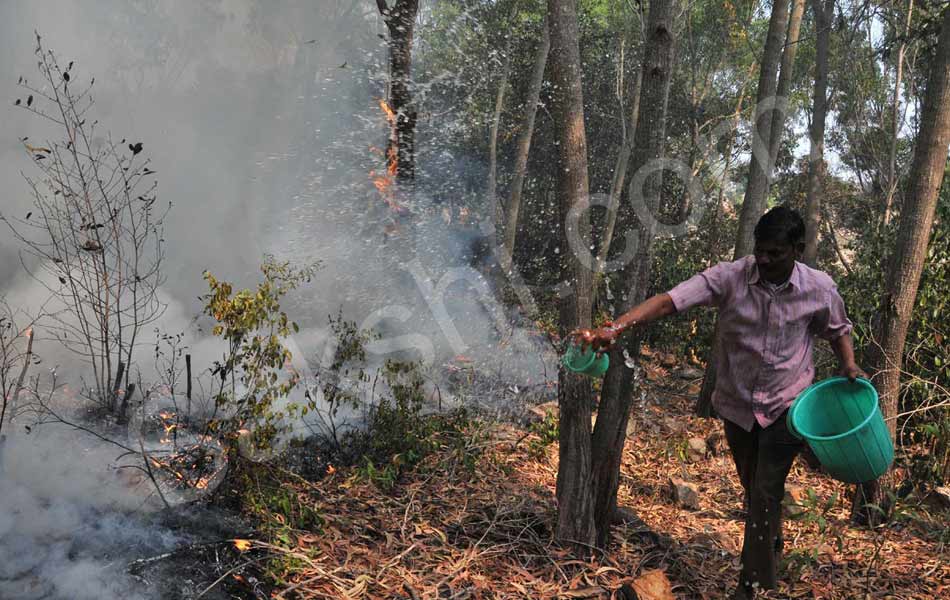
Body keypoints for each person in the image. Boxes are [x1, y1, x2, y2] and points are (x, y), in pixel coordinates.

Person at [573, 206, 866, 599]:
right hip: (736, 406)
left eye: (775, 253)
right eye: (760, 250)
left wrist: (848, 364)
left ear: (797, 249)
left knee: (764, 491)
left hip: (787, 405)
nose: (764, 260)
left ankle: (752, 587)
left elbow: (838, 329)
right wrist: (615, 327)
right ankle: (769, 540)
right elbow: (670, 300)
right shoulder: (730, 277)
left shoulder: (819, 287)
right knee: (754, 488)